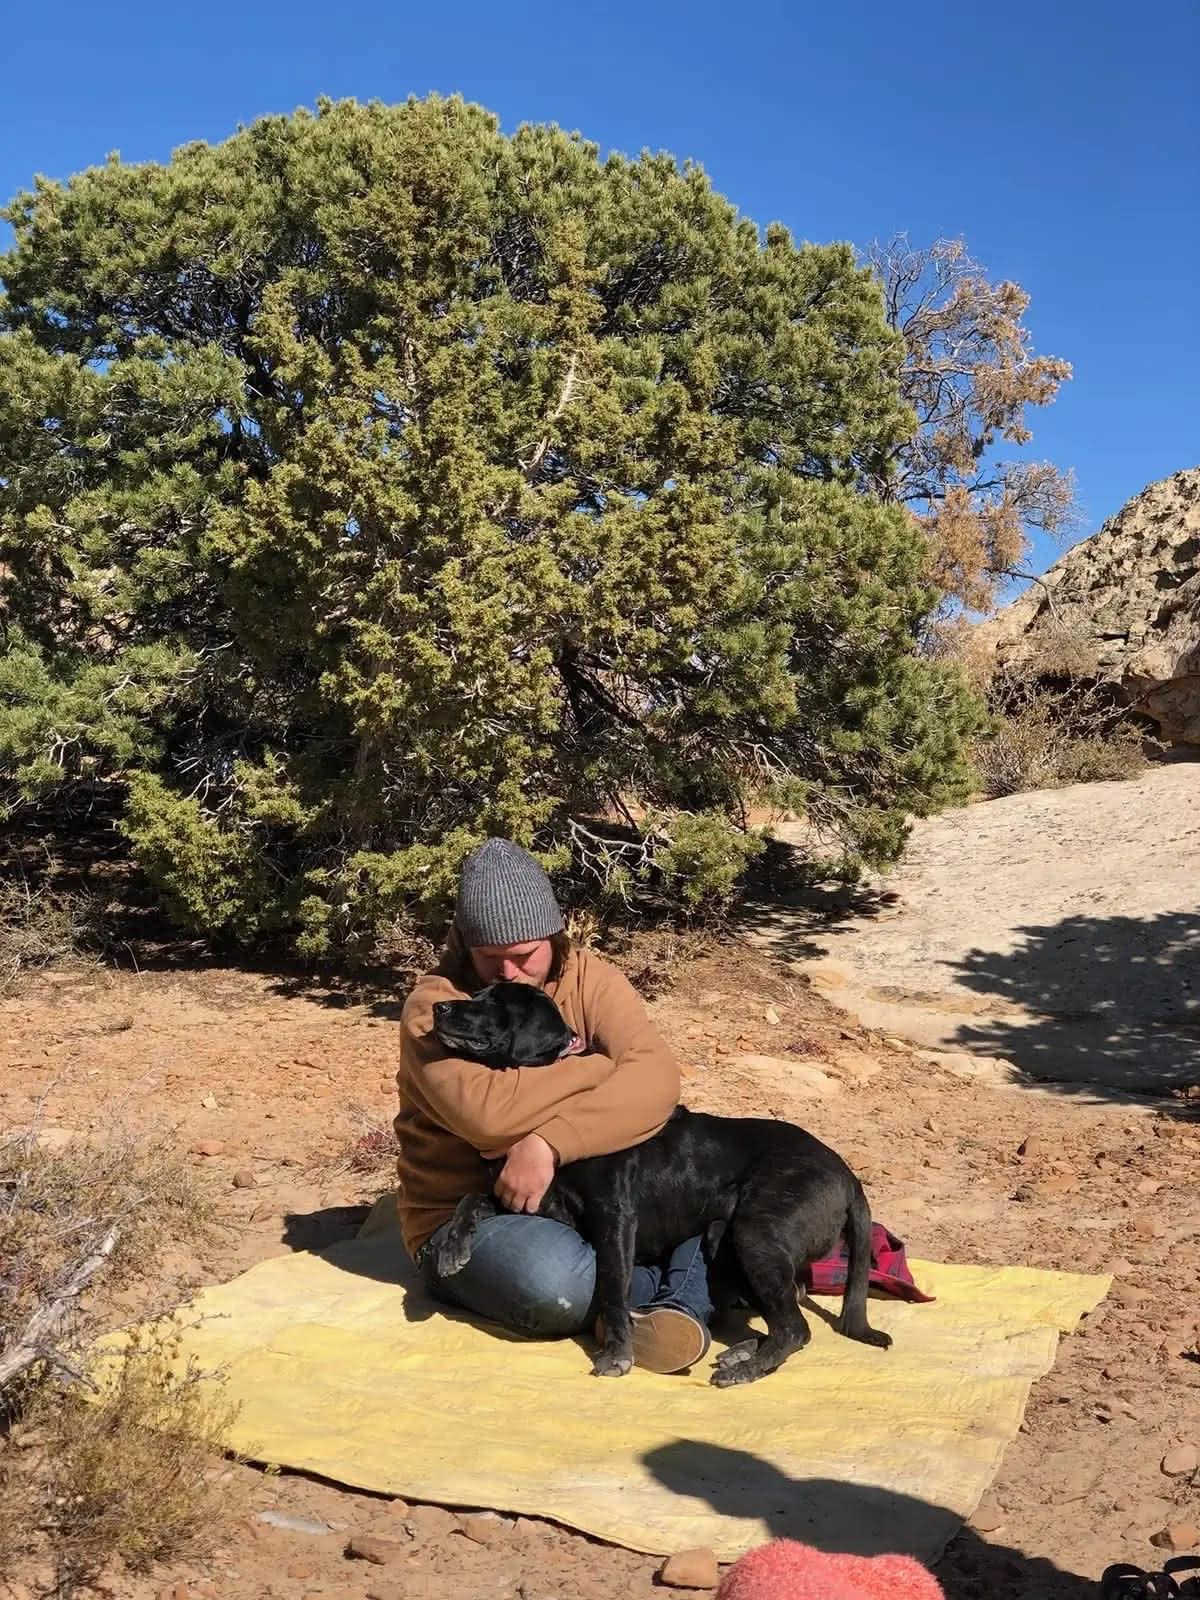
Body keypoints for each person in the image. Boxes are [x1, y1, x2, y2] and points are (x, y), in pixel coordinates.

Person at [395, 837, 713, 1374]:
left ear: (554, 935)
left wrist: (549, 1143)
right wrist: (596, 1066)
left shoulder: (591, 979)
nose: (509, 973)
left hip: (582, 1203)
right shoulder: (437, 1008)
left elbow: (658, 1079)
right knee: (551, 1283)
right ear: (463, 944)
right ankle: (678, 1290)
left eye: (524, 955)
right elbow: (488, 1117)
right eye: (489, 957)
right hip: (467, 1219)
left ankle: (670, 1304)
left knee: (710, 1193)